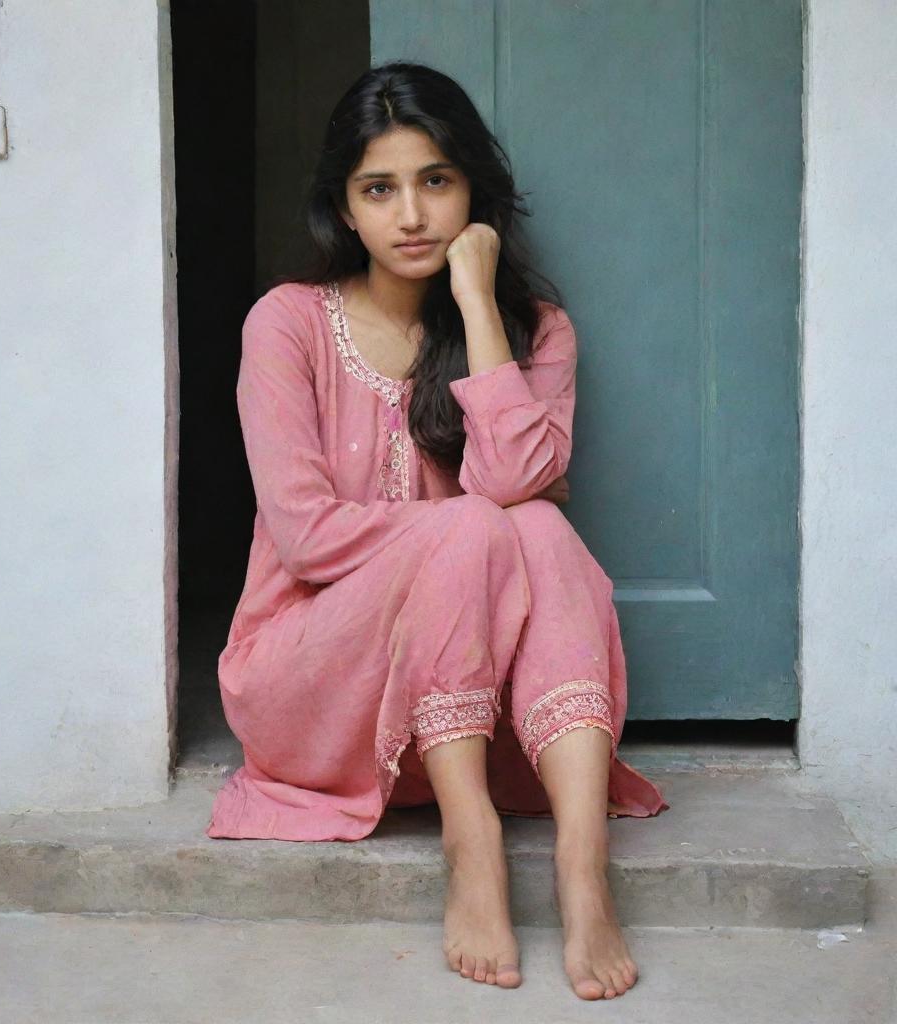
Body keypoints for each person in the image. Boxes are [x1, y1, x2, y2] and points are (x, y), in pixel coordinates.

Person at [207, 60, 669, 1001]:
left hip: (470, 720)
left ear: (475, 192)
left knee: (529, 525)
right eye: (379, 189)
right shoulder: (286, 325)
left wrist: (475, 308)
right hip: (312, 690)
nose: (411, 215)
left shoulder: (536, 332)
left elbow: (517, 480)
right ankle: (473, 846)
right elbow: (303, 537)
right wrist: (463, 529)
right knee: (483, 528)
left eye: (436, 182)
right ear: (343, 205)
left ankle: (583, 868)